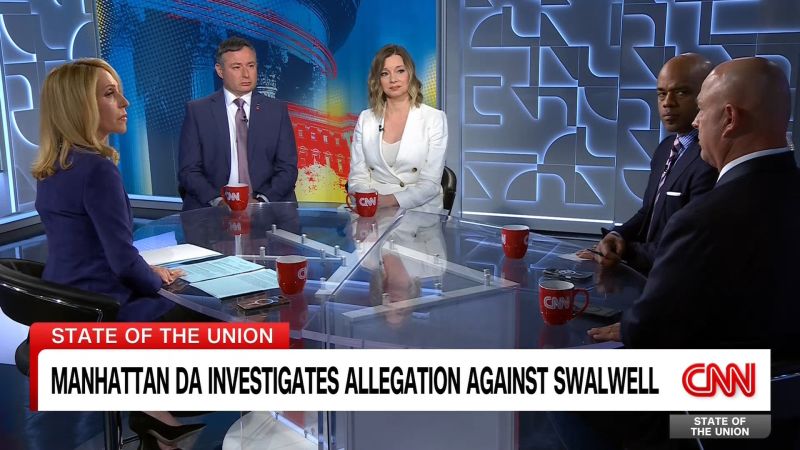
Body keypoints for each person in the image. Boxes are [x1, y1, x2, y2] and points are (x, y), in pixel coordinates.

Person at [587, 57, 800, 449]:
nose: (697, 122)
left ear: (729, 119)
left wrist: (630, 326)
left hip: (715, 417)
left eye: (702, 109)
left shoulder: (706, 218)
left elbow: (652, 331)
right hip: (786, 409)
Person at [32, 58, 203, 450]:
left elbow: (87, 248)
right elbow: (123, 263)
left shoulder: (52, 167)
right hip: (101, 311)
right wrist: (157, 281)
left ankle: (155, 418)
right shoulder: (97, 171)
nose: (125, 103)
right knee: (207, 306)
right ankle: (159, 416)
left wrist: (147, 271)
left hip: (63, 303)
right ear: (81, 107)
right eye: (111, 94)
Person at [579, 53, 716, 274]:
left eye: (681, 92)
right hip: (648, 275)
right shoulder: (665, 149)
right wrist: (617, 235)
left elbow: (688, 245)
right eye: (662, 94)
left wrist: (625, 252)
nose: (667, 103)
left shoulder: (711, 157)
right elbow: (648, 212)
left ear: (706, 96)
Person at [178, 37, 298, 210]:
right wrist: (218, 202)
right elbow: (189, 170)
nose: (246, 74)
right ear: (220, 71)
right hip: (214, 208)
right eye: (236, 67)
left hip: (268, 207)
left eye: (251, 66)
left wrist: (262, 202)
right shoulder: (198, 111)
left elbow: (287, 168)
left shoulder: (276, 110)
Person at [348, 44, 448, 214]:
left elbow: (430, 184)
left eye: (400, 71)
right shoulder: (366, 119)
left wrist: (389, 200)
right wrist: (368, 201)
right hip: (373, 209)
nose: (393, 79)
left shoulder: (434, 119)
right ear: (377, 80)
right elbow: (358, 177)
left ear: (410, 74)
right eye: (385, 73)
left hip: (418, 210)